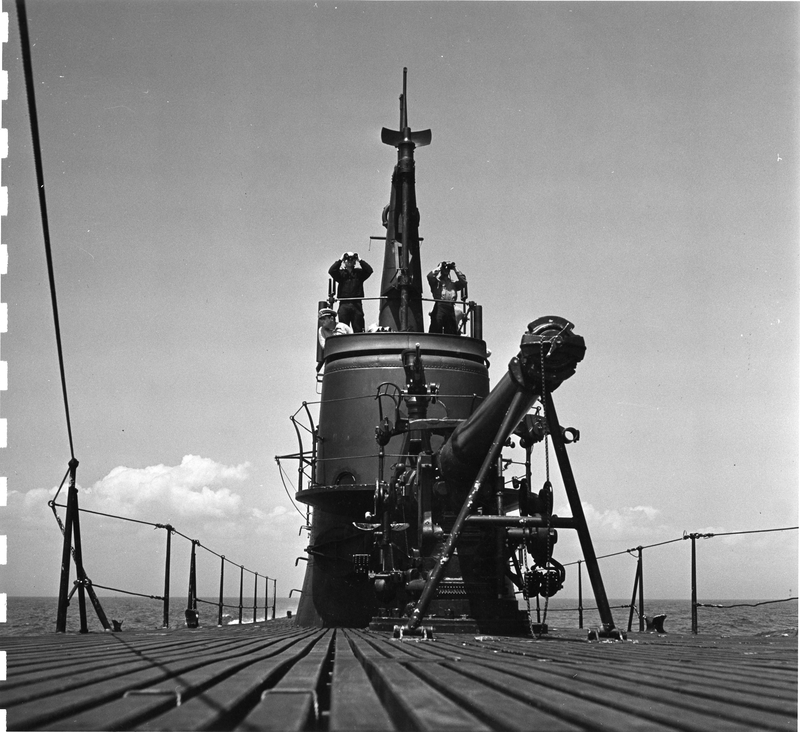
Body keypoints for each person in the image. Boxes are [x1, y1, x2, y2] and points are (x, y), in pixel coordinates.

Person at [328, 252, 373, 332]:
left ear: (354, 261)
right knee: (343, 328)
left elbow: (369, 270)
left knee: (358, 328)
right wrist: (340, 259)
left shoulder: (359, 274)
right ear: (344, 261)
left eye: (352, 259)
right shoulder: (341, 274)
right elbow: (331, 271)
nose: (349, 261)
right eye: (347, 259)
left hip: (357, 304)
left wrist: (360, 259)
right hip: (344, 304)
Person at [427, 261, 467, 334]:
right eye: (444, 268)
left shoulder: (453, 284)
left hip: (450, 307)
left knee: (451, 331)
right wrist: (439, 267)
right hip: (440, 306)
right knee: (436, 328)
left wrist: (455, 268)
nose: (446, 269)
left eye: (447, 268)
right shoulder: (436, 283)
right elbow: (430, 276)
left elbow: (463, 282)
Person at [317, 308, 353, 372]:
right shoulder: (321, 330)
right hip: (332, 360)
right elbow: (325, 346)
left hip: (346, 359)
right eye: (320, 319)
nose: (321, 321)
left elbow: (353, 342)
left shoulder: (343, 327)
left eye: (324, 319)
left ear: (331, 318)